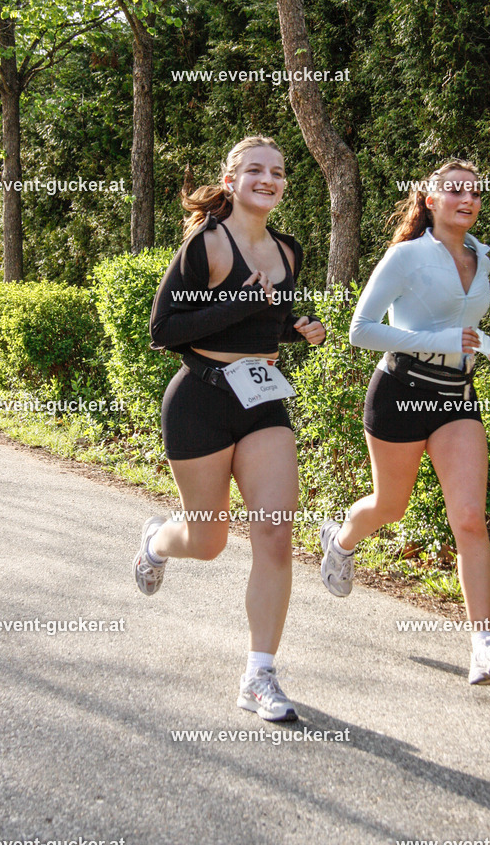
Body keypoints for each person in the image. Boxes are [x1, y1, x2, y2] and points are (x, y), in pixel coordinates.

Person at [134, 135, 326, 721]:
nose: (268, 179)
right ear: (232, 178)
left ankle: (259, 675)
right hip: (201, 398)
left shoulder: (288, 251)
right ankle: (155, 541)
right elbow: (164, 328)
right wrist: (242, 305)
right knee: (208, 542)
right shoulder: (207, 241)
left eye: (278, 172)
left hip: (262, 401)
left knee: (274, 533)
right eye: (256, 171)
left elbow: (267, 313)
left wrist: (296, 327)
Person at [319, 158, 490, 686]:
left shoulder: (481, 256)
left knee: (471, 519)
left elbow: (463, 324)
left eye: (475, 193)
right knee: (392, 505)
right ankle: (341, 541)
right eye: (454, 191)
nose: (468, 199)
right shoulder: (404, 256)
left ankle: (482, 643)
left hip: (458, 396)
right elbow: (360, 330)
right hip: (401, 391)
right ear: (430, 200)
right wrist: (438, 343)